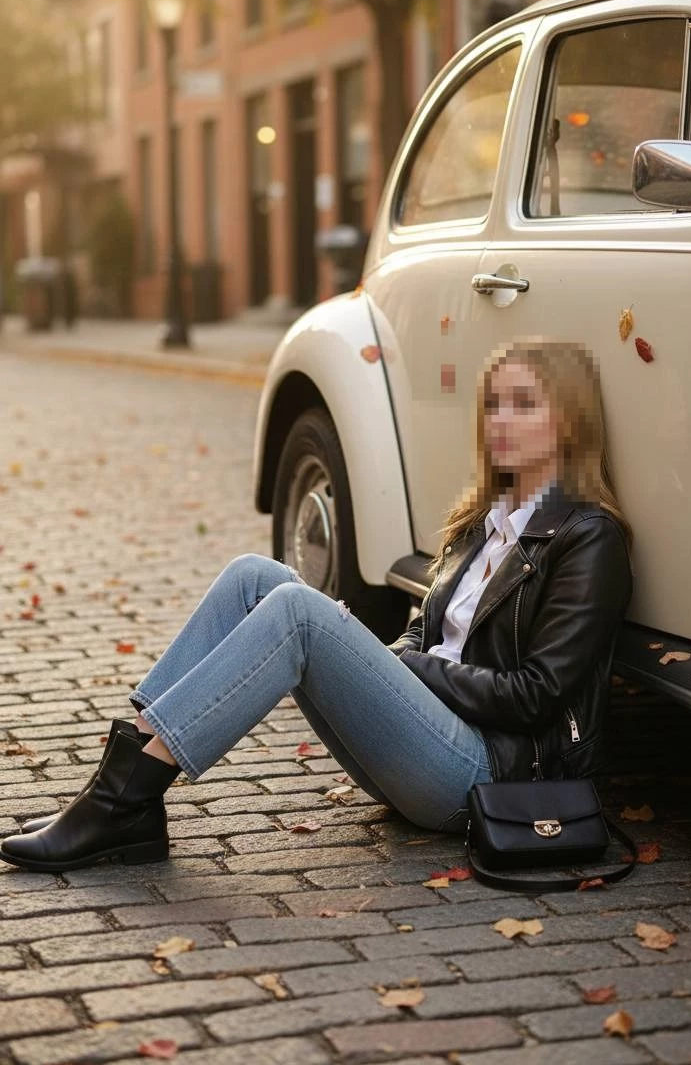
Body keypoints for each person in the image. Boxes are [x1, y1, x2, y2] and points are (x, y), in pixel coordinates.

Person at [0, 337, 633, 874]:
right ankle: (127, 789)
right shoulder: (482, 520)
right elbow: (421, 634)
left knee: (299, 614)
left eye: (525, 406)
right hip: (425, 739)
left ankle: (119, 807)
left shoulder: (586, 537)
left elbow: (535, 696)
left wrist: (401, 671)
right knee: (253, 576)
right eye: (493, 404)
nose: (501, 421)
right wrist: (393, 663)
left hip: (488, 775)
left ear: (570, 421)